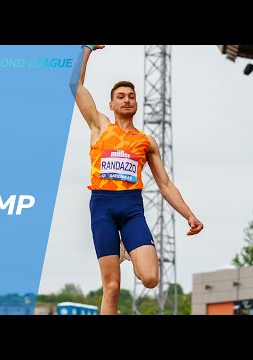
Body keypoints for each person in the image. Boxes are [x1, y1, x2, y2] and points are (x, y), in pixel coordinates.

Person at [70, 45, 204, 315]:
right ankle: (121, 249)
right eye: (120, 97)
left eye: (131, 96)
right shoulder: (99, 125)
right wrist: (87, 49)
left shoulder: (146, 142)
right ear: (111, 104)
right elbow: (75, 84)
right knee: (112, 287)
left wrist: (189, 215)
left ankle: (127, 247)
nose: (127, 100)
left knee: (151, 279)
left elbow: (165, 185)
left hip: (131, 208)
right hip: (103, 206)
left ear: (137, 103)